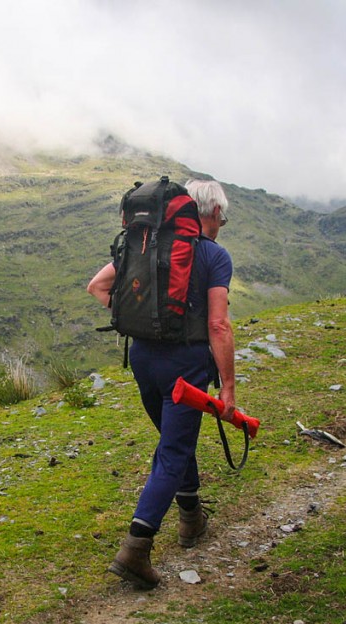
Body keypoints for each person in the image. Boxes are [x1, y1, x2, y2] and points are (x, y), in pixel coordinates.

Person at [87, 178, 236, 589]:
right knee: (173, 449)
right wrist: (227, 387)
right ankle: (136, 547)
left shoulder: (143, 245)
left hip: (142, 358)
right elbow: (219, 325)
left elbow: (97, 287)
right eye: (224, 215)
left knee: (174, 439)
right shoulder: (214, 257)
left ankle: (191, 519)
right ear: (214, 213)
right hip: (184, 365)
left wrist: (140, 321)